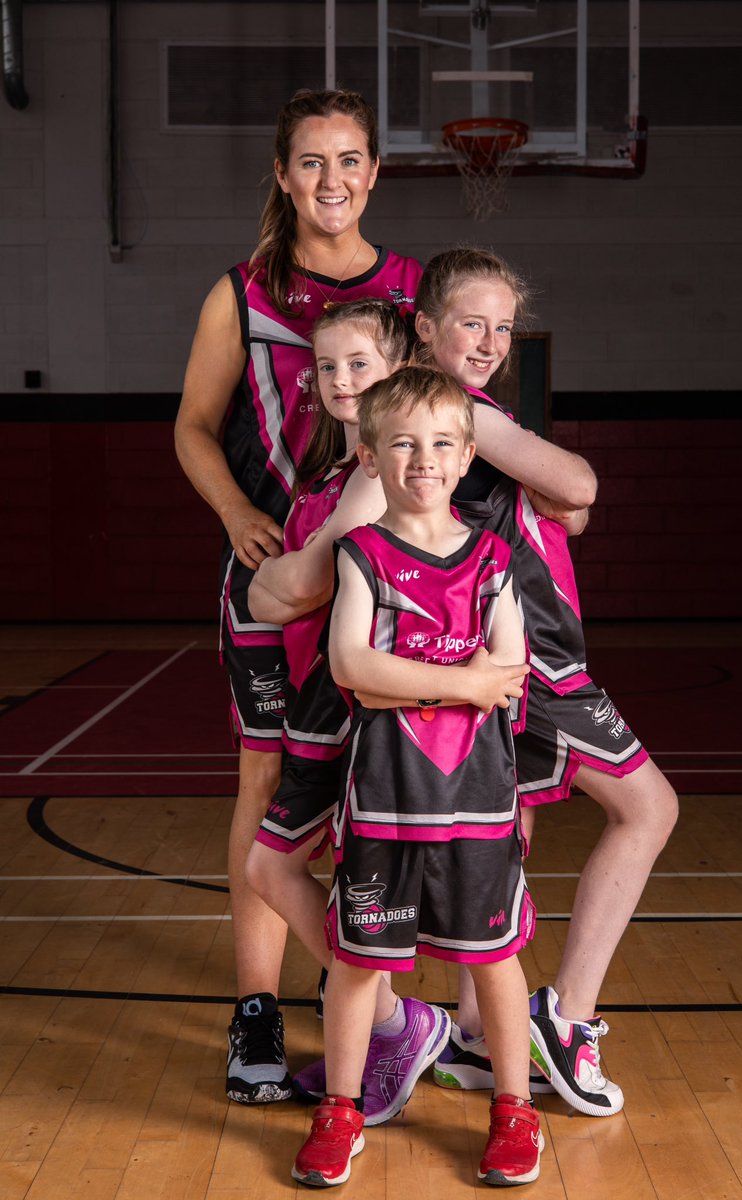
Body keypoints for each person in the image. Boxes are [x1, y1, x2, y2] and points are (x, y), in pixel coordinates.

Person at [174, 88, 422, 1105]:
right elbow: (193, 425)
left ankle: (386, 1010)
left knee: (387, 797)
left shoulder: (410, 289)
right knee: (264, 790)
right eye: (310, 162)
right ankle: (257, 1010)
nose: (331, 180)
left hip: (386, 587)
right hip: (275, 581)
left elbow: (455, 424)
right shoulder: (239, 294)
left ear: (374, 172)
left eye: (349, 160)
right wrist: (237, 513)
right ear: (282, 175)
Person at [411, 247, 679, 1118]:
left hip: (497, 655)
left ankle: (479, 1035)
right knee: (649, 808)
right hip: (537, 663)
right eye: (470, 323)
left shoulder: (440, 413)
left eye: (501, 328)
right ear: (426, 328)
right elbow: (579, 484)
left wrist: (558, 493)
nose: (489, 341)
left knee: (503, 839)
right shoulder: (456, 410)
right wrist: (557, 481)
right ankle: (566, 1019)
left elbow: (569, 508)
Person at [292, 366, 543, 1189]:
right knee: (360, 961)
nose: (423, 459)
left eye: (441, 444)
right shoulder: (361, 552)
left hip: (476, 800)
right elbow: (352, 666)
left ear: (468, 456)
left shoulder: (494, 557)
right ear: (369, 456)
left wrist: (442, 677)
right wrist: (462, 681)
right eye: (401, 443)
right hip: (383, 801)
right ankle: (341, 1108)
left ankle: (513, 1109)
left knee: (492, 960)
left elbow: (513, 667)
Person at [245, 300, 459, 1125]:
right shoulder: (338, 468)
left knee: (286, 868)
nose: (338, 380)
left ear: (396, 367)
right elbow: (287, 587)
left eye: (357, 365)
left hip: (349, 702)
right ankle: (384, 1027)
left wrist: (282, 581)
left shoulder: (377, 474)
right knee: (286, 870)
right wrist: (285, 581)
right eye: (325, 367)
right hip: (313, 692)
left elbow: (300, 585)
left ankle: (397, 1025)